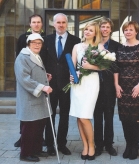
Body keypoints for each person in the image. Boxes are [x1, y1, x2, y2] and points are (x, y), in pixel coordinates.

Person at [41, 13, 80, 156]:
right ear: (53, 24)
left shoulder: (76, 41)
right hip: (50, 85)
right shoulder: (46, 40)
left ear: (67, 24)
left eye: (63, 22)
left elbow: (77, 63)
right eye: (58, 22)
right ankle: (50, 145)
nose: (61, 25)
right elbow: (42, 62)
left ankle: (62, 143)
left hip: (66, 85)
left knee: (64, 115)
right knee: (49, 116)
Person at [114, 21, 139, 160]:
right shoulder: (120, 48)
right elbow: (116, 68)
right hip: (123, 87)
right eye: (126, 30)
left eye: (130, 30)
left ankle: (135, 146)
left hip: (136, 87)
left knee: (134, 117)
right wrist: (116, 85)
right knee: (124, 117)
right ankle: (128, 145)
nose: (128, 32)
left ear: (136, 31)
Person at [14, 33, 53, 162]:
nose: (37, 45)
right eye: (34, 43)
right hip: (29, 98)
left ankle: (36, 149)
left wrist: (44, 76)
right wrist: (43, 87)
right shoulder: (22, 57)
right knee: (30, 127)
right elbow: (24, 78)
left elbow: (33, 73)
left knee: (39, 125)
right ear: (28, 44)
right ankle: (25, 153)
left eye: (39, 43)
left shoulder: (35, 55)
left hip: (38, 98)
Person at [69, 21, 103, 160]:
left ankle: (92, 145)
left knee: (85, 116)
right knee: (78, 115)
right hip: (78, 83)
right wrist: (71, 76)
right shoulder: (76, 46)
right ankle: (85, 145)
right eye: (86, 29)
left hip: (91, 82)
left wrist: (90, 66)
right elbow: (72, 64)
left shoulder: (99, 46)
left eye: (91, 30)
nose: (87, 32)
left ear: (96, 33)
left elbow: (104, 67)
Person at [14, 14, 45, 148]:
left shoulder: (45, 39)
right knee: (27, 113)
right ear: (30, 24)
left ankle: (37, 141)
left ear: (42, 24)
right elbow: (21, 61)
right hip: (28, 79)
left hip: (40, 77)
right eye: (34, 22)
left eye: (38, 22)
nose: (36, 24)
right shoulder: (23, 38)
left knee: (39, 115)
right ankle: (24, 138)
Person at [94, 17, 121, 156]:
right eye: (102, 27)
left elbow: (117, 66)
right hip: (94, 86)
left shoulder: (116, 46)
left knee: (109, 116)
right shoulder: (93, 44)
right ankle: (98, 145)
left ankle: (109, 144)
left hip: (109, 86)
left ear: (111, 29)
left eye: (107, 27)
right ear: (99, 28)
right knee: (97, 116)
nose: (105, 29)